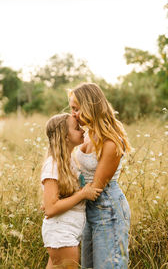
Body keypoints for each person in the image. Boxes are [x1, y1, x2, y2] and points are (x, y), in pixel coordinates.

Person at [69, 82, 131, 269]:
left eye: (76, 109)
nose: (73, 114)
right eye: (72, 108)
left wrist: (62, 201)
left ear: (90, 106)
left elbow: (96, 187)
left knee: (108, 265)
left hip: (108, 208)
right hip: (88, 208)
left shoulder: (110, 142)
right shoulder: (86, 134)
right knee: (87, 265)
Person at [41, 113, 102, 269]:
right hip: (61, 233)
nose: (83, 130)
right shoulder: (53, 164)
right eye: (77, 128)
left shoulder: (70, 160)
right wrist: (82, 194)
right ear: (65, 136)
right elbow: (51, 208)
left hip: (68, 231)